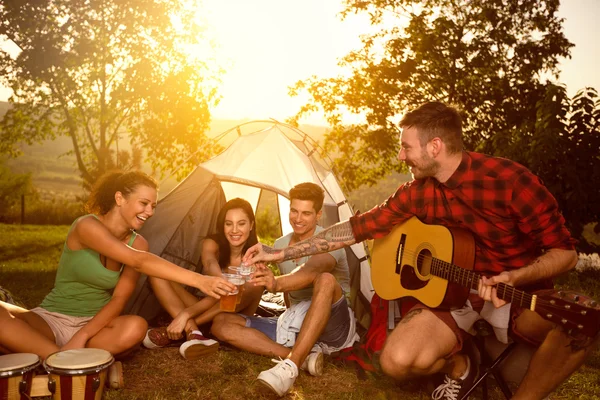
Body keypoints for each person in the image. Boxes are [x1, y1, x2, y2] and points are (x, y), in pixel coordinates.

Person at [243, 102, 598, 400]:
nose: (401, 155)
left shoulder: (509, 181)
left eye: (406, 147)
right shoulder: (419, 190)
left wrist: (517, 276)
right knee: (395, 361)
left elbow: (564, 253)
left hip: (514, 295)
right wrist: (279, 255)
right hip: (454, 297)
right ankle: (460, 364)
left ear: (435, 146)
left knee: (580, 324)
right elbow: (359, 227)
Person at [0, 170, 235, 361]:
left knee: (136, 326)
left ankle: (47, 354)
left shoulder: (139, 243)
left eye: (153, 206)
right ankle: (60, 358)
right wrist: (200, 280)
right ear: (119, 198)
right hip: (52, 319)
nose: (150, 212)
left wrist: (83, 334)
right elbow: (138, 261)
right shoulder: (85, 226)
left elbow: (119, 300)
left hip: (96, 326)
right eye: (143, 203)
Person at [211, 182, 359, 397]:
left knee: (325, 279)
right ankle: (306, 356)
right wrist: (260, 274)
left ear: (318, 215)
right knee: (221, 323)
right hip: (297, 324)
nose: (298, 219)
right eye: (294, 211)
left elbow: (312, 271)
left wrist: (276, 283)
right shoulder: (281, 243)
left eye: (306, 213)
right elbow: (290, 298)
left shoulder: (330, 240)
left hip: (334, 326)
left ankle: (291, 365)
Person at [143, 198, 264, 360]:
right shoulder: (212, 243)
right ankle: (193, 332)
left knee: (246, 285)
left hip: (231, 318)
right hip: (205, 308)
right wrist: (220, 279)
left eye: (241, 223)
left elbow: (232, 294)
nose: (234, 230)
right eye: (229, 223)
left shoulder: (258, 257)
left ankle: (181, 328)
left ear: (251, 225)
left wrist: (185, 314)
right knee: (157, 273)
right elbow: (209, 262)